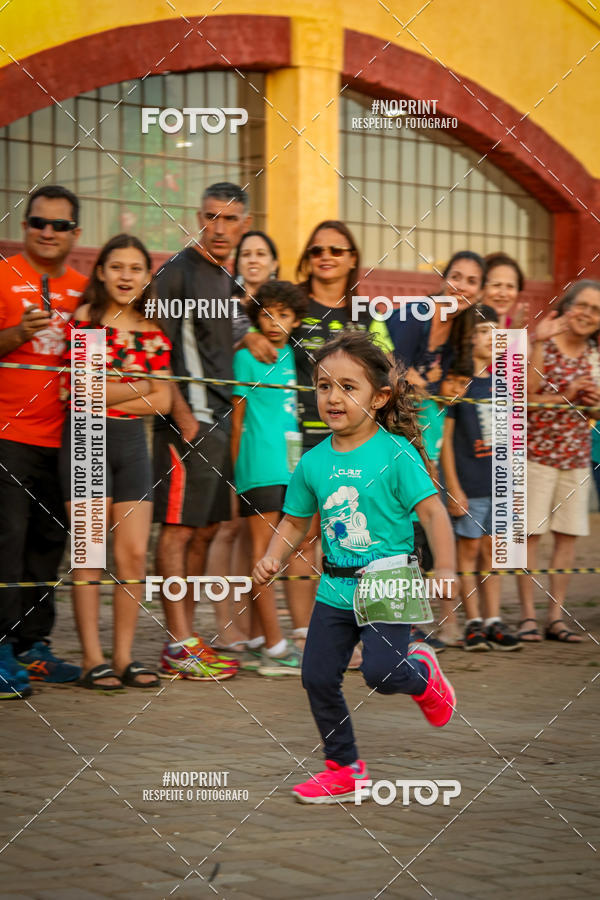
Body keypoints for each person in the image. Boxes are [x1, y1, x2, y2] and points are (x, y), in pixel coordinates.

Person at [254, 331, 457, 803]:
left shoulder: (396, 454)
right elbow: (293, 521)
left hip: (391, 582)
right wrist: (271, 556)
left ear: (380, 395)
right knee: (316, 677)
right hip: (334, 589)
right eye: (324, 386)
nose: (333, 397)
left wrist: (445, 566)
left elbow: (432, 512)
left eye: (348, 386)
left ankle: (421, 673)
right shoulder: (312, 463)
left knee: (382, 675)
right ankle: (344, 769)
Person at [59, 234, 172, 689]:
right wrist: (140, 385)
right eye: (117, 267)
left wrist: (117, 388)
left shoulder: (154, 333)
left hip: (131, 445)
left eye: (135, 269)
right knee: (89, 553)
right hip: (85, 438)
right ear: (101, 272)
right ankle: (91, 659)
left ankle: (124, 657)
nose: (126, 276)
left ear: (147, 278)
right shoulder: (86, 320)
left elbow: (164, 399)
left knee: (131, 556)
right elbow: (82, 392)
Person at [152, 182, 250, 680]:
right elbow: (155, 346)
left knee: (206, 530)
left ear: (243, 225)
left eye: (230, 219)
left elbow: (224, 341)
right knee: (178, 529)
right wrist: (183, 417)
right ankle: (177, 645)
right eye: (212, 217)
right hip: (187, 424)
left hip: (220, 421)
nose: (220, 227)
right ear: (199, 217)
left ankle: (187, 642)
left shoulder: (224, 278)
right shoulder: (176, 271)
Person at [371, 251, 486, 648]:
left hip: (427, 440)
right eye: (456, 276)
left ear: (479, 290)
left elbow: (445, 393)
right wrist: (420, 383)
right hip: (391, 434)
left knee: (425, 533)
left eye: (471, 280)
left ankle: (432, 625)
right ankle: (390, 628)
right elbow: (388, 365)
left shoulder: (461, 334)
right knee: (396, 531)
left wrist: (437, 388)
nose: (461, 286)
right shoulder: (413, 315)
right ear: (443, 278)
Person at [0, 185, 85, 699]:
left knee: (48, 547)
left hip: (68, 439)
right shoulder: (4, 274)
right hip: (8, 434)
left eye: (58, 225)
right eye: (38, 223)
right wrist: (16, 334)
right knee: (6, 546)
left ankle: (34, 646)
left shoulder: (84, 285)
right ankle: (1, 648)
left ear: (75, 233)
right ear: (26, 225)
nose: (47, 232)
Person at [207, 230, 281, 653]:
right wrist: (245, 336)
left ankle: (255, 623)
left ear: (274, 261)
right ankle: (226, 622)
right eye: (246, 253)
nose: (253, 259)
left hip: (267, 437)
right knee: (228, 526)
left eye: (262, 252)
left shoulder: (280, 307)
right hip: (224, 419)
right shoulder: (224, 302)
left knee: (256, 537)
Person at [517, 280, 600, 643]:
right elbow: (527, 397)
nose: (587, 314)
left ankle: (556, 617)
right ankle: (527, 618)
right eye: (582, 305)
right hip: (537, 457)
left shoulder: (595, 354)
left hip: (575, 459)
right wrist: (567, 394)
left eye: (596, 310)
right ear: (567, 305)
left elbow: (594, 412)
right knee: (530, 538)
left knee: (567, 538)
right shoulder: (545, 344)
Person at [231, 280, 307, 674]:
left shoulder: (293, 356)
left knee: (279, 554)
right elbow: (237, 416)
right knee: (265, 560)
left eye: (285, 314)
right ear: (256, 317)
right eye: (267, 314)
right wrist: (232, 474)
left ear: (296, 319)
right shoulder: (247, 356)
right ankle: (275, 650)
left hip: (288, 468)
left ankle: (266, 639)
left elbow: (292, 415)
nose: (275, 322)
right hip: (257, 466)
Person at [441, 306, 522, 651]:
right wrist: (453, 486)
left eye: (496, 331)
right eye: (483, 331)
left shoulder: (504, 380)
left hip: (499, 483)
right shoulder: (456, 383)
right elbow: (445, 441)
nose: (492, 338)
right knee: (469, 550)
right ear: (468, 338)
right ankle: (471, 620)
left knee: (493, 551)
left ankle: (492, 620)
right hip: (469, 483)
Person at [481, 253, 527, 329]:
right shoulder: (467, 324)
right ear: (481, 288)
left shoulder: (514, 325)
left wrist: (538, 340)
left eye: (510, 286)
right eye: (496, 285)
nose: (503, 294)